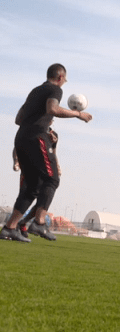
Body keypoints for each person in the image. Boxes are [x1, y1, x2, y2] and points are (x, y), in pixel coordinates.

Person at [1, 63, 92, 242]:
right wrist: (77, 114)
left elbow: (19, 119)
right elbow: (53, 109)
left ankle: (9, 228)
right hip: (37, 137)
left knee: (31, 187)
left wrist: (37, 118)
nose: (64, 82)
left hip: (21, 138)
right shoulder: (55, 90)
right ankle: (39, 223)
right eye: (64, 79)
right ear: (60, 78)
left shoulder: (34, 91)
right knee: (52, 179)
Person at [13, 125, 61, 238]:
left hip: (45, 171)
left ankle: (23, 222)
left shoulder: (53, 135)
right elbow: (17, 148)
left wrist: (57, 166)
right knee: (26, 196)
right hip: (29, 170)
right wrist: (16, 161)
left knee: (42, 200)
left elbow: (53, 152)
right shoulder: (33, 130)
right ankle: (13, 225)